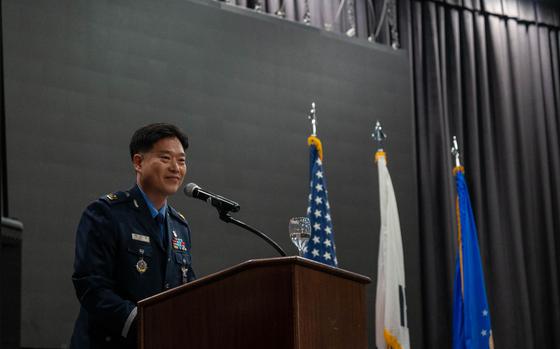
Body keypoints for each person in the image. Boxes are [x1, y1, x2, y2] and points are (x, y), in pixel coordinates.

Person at [70, 123, 196, 349]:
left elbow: (188, 290)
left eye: (181, 160)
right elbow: (91, 286)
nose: (176, 168)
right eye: (166, 158)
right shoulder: (106, 214)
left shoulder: (180, 226)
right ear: (138, 162)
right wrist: (144, 323)